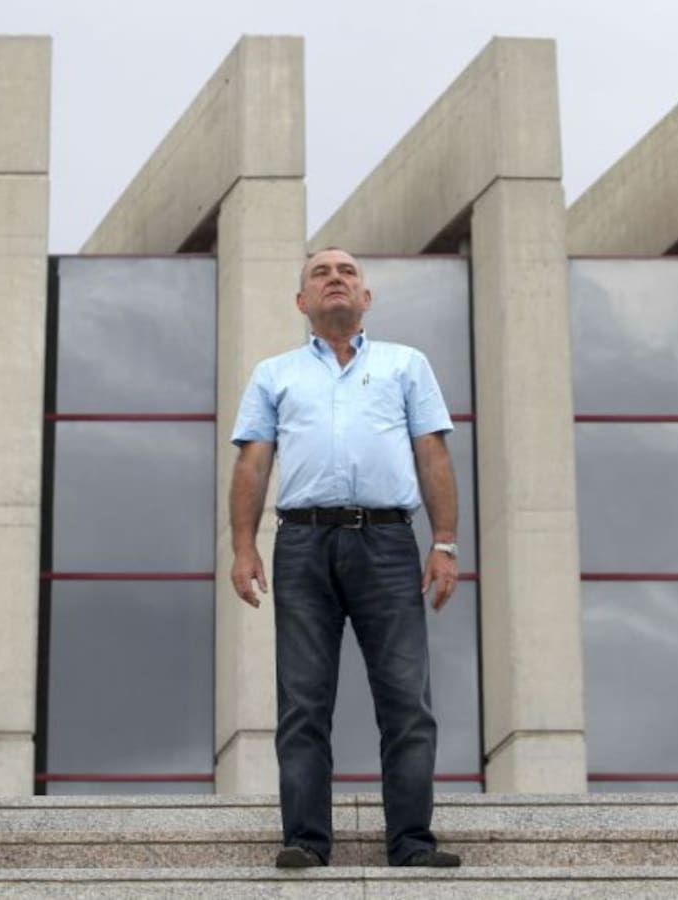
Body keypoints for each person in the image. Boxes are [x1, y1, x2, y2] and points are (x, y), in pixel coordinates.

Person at [229, 247, 462, 869]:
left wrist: (444, 543)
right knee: (302, 700)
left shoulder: (406, 365)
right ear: (302, 301)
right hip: (302, 544)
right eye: (321, 273)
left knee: (406, 699)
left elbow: (432, 453)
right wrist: (244, 545)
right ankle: (306, 841)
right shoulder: (274, 374)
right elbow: (253, 462)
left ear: (366, 297)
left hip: (387, 542)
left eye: (348, 272)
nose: (335, 279)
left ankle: (411, 843)